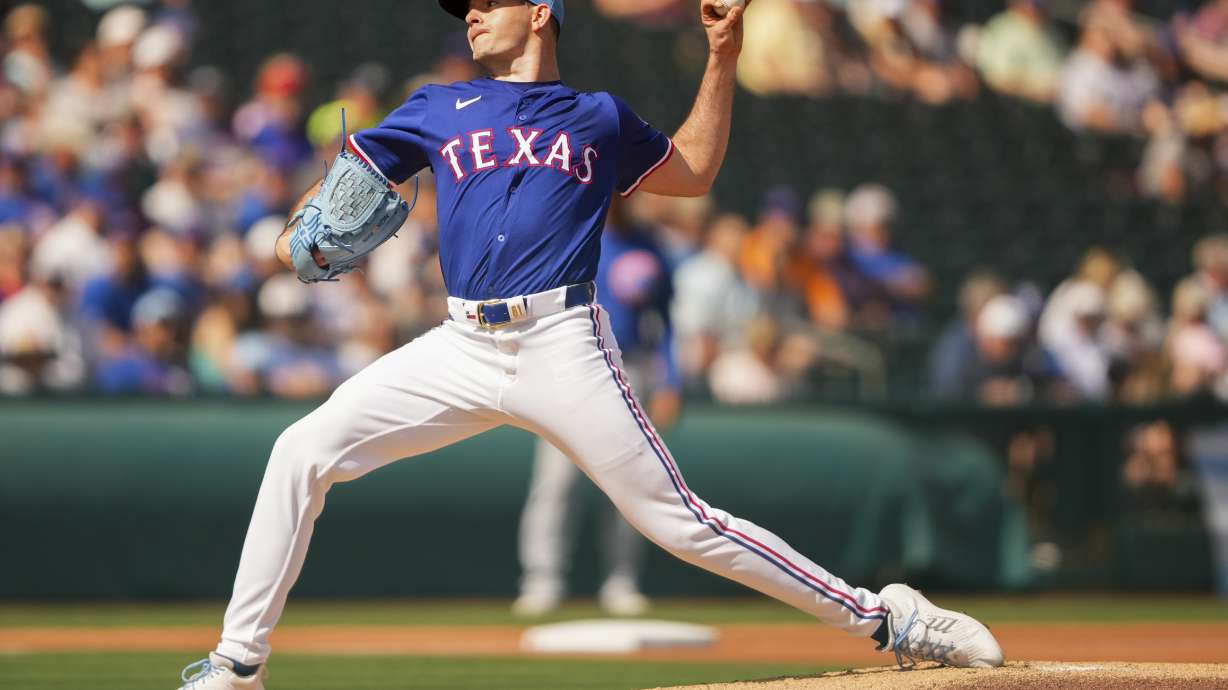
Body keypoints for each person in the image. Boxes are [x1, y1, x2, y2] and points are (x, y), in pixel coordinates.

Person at [174, 2, 1003, 688]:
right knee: (299, 449)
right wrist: (294, 239)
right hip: (459, 343)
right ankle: (237, 664)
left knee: (681, 524)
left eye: (486, 2)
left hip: (562, 341)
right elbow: (332, 200)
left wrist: (724, 55)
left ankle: (889, 615)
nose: (469, 14)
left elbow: (694, 173)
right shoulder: (437, 104)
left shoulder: (598, 116)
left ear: (541, 14)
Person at [514, 200, 681, 617]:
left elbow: (667, 321)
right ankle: (542, 578)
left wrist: (672, 379)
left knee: (629, 481)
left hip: (631, 367)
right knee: (556, 482)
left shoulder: (646, 245)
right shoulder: (563, 230)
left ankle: (622, 580)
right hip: (565, 366)